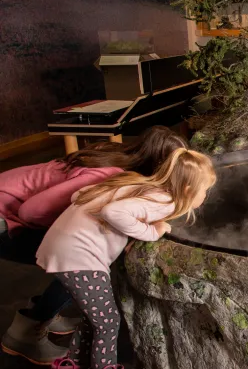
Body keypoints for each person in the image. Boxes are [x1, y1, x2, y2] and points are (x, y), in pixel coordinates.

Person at [0, 126, 187, 365]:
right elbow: (31, 211)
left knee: (75, 256)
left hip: (11, 206)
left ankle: (45, 312)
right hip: (5, 217)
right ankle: (25, 333)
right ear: (155, 168)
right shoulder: (104, 175)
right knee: (80, 259)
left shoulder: (120, 157)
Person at [38, 148, 216, 369]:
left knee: (94, 318)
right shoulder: (165, 201)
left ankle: (74, 363)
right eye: (205, 191)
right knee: (108, 323)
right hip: (80, 258)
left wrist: (128, 232)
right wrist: (151, 232)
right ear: (188, 189)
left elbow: (80, 194)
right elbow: (113, 212)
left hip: (62, 245)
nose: (205, 196)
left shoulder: (140, 184)